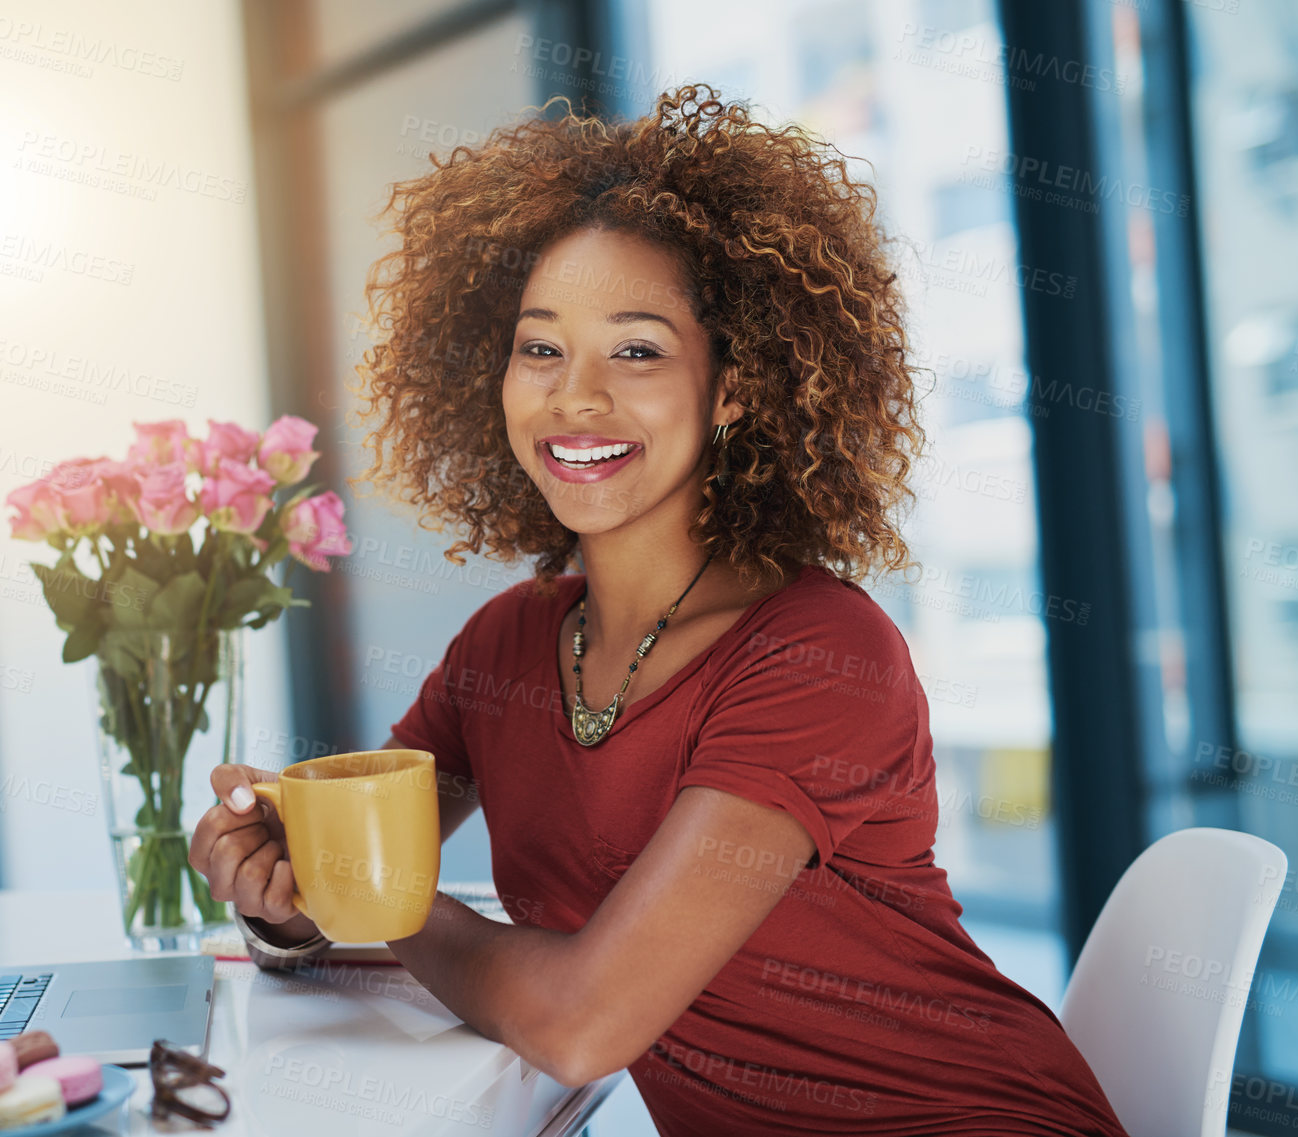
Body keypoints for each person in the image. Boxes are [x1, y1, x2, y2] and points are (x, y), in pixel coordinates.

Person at [188, 84, 1129, 1136]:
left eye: (636, 350)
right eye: (540, 348)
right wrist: (280, 891)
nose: (576, 395)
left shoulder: (819, 655)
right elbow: (377, 900)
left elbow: (582, 1024)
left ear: (735, 387)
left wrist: (366, 890)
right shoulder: (504, 646)